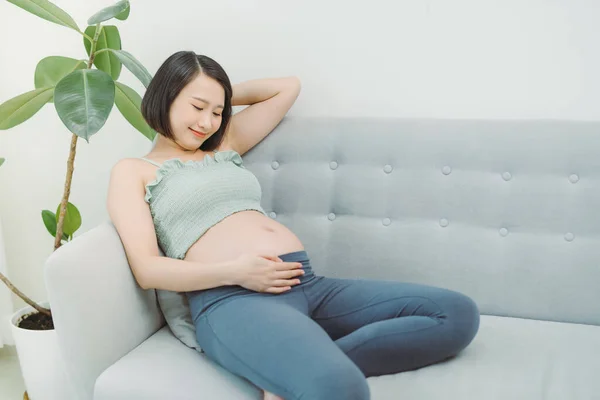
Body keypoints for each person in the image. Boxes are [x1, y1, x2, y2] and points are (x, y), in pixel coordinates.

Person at [107, 51, 480, 400]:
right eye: (197, 106)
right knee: (343, 389)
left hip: (306, 282)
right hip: (234, 298)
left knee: (456, 313)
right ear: (164, 97)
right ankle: (308, 371)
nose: (207, 122)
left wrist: (220, 93)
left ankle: (293, 371)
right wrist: (235, 271)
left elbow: (287, 87)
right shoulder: (134, 172)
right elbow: (147, 269)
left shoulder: (224, 145)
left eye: (217, 112)